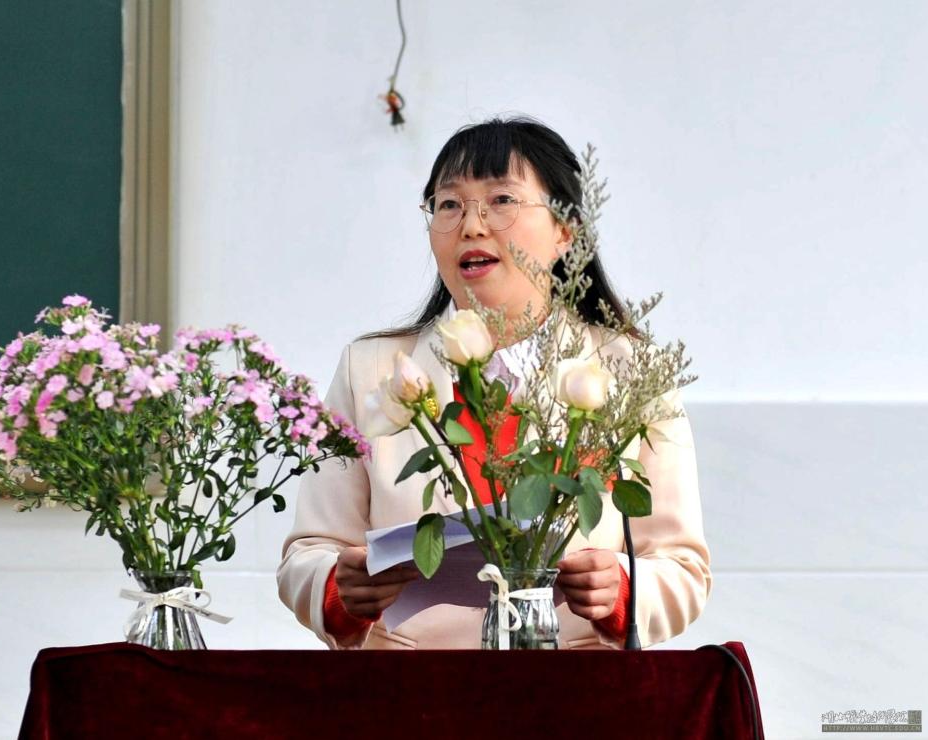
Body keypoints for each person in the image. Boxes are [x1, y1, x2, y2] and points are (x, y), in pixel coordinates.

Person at [277, 116, 711, 649]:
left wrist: (622, 589)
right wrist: (337, 587)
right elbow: (308, 553)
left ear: (565, 231)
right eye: (449, 204)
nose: (471, 226)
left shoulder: (632, 371)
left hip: (577, 683)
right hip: (409, 686)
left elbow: (681, 567)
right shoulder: (370, 369)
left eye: (501, 200)